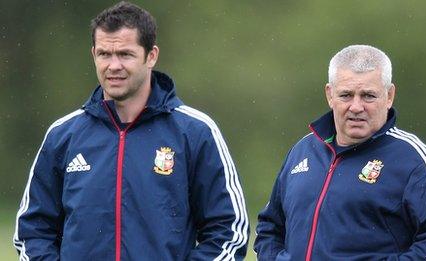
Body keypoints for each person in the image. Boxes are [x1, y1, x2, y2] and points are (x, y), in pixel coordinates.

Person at [13, 1, 249, 260]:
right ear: (93, 55)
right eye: (104, 54)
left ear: (151, 56)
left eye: (125, 54)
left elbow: (228, 231)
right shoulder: (63, 135)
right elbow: (32, 232)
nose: (113, 66)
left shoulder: (195, 132)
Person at [254, 44, 426, 260]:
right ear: (330, 95)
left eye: (368, 96)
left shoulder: (414, 159)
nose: (356, 106)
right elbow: (270, 227)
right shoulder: (303, 151)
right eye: (346, 95)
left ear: (389, 95)